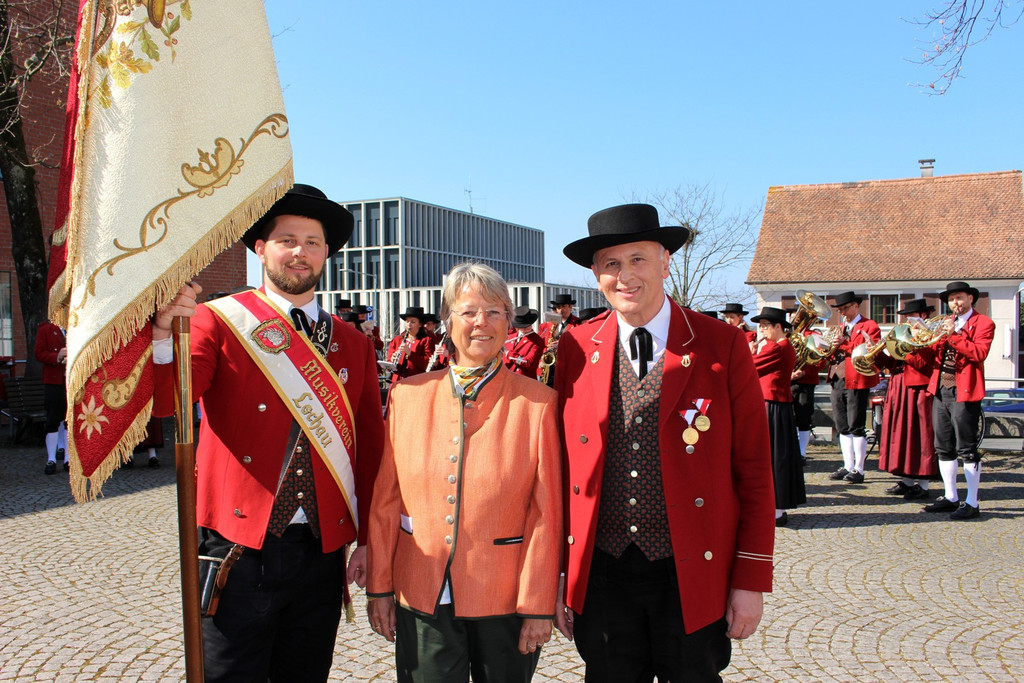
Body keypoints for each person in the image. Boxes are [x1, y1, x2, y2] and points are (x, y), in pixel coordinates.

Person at [151, 183, 385, 681]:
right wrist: (162, 338)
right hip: (238, 542)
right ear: (261, 247)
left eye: (313, 241)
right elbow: (165, 401)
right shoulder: (217, 322)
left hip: (322, 551)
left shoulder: (351, 342)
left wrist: (367, 538)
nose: (301, 252)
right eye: (287, 239)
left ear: (327, 253)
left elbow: (368, 446)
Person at [554, 203, 775, 682]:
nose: (625, 275)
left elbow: (754, 471)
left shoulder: (721, 344)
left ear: (665, 261)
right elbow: (559, 471)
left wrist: (750, 580)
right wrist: (559, 574)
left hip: (692, 567)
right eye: (611, 264)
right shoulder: (574, 347)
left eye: (638, 259)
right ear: (596, 274)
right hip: (603, 572)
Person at [367, 263, 561, 683]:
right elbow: (386, 500)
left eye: (495, 312)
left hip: (506, 598)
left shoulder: (539, 402)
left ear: (509, 321)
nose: (481, 323)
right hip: (422, 591)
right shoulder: (407, 396)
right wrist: (379, 586)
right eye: (469, 311)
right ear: (448, 320)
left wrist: (538, 605)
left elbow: (546, 514)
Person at [918, 282, 994, 520]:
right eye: (951, 300)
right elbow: (932, 357)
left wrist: (954, 335)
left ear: (971, 298)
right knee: (943, 447)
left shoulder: (984, 323)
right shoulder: (943, 323)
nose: (955, 304)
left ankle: (972, 502)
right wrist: (918, 343)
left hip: (965, 391)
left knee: (967, 448)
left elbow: (979, 353)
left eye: (959, 298)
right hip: (940, 389)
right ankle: (951, 496)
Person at [876, 299, 939, 500]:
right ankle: (907, 480)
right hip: (898, 385)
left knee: (920, 434)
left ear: (923, 315)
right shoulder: (905, 333)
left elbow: (925, 363)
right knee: (901, 434)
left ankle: (924, 484)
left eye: (911, 316)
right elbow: (891, 363)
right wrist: (876, 353)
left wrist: (904, 350)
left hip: (918, 388)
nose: (907, 320)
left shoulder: (931, 335)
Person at [750, 307, 806, 527]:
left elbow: (751, 368)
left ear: (778, 327)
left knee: (775, 458)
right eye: (761, 325)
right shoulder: (780, 347)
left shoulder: (778, 348)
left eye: (765, 325)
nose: (762, 330)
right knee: (775, 457)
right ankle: (775, 509)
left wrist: (751, 352)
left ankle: (776, 511)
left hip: (774, 406)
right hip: (775, 405)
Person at [825, 291, 881, 484]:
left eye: (845, 308)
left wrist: (844, 344)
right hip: (837, 378)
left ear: (856, 306)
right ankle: (847, 465)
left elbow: (865, 350)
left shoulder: (869, 325)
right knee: (842, 425)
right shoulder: (841, 327)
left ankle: (860, 469)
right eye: (840, 310)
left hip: (856, 379)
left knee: (856, 425)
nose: (842, 313)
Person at [35, 320, 68, 474]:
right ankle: (52, 458)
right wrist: (57, 356)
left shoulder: (75, 326)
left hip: (70, 380)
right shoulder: (46, 329)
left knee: (70, 421)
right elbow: (39, 353)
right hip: (53, 381)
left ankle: (69, 458)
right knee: (53, 420)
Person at [385, 306, 436, 381]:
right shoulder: (397, 340)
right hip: (397, 380)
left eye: (413, 322)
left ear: (420, 324)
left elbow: (427, 364)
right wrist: (392, 360)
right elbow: (388, 363)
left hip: (417, 380)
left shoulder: (426, 340)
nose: (409, 324)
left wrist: (410, 354)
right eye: (407, 321)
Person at [504, 306, 545, 377]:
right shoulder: (510, 337)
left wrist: (508, 353)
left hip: (524, 381)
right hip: (507, 378)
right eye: (523, 326)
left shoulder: (537, 341)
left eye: (529, 325)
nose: (527, 327)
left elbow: (528, 363)